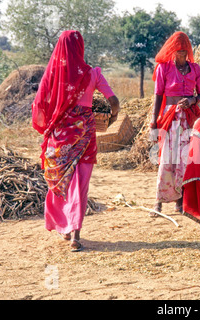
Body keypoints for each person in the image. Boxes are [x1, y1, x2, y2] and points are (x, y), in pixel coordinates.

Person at [32, 30, 119, 251]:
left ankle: (65, 227)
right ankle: (75, 236)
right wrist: (114, 115)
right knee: (80, 183)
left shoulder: (53, 74)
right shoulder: (93, 73)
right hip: (86, 135)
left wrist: (49, 124)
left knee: (60, 180)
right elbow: (114, 100)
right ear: (80, 48)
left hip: (59, 137)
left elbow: (40, 104)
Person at [150, 31, 200, 215]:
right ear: (172, 51)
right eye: (178, 50)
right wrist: (153, 121)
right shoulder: (163, 68)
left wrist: (192, 100)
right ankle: (158, 202)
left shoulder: (195, 69)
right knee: (166, 159)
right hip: (169, 117)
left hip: (189, 118)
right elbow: (158, 95)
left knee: (185, 160)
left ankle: (180, 202)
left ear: (188, 51)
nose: (181, 54)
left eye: (184, 51)